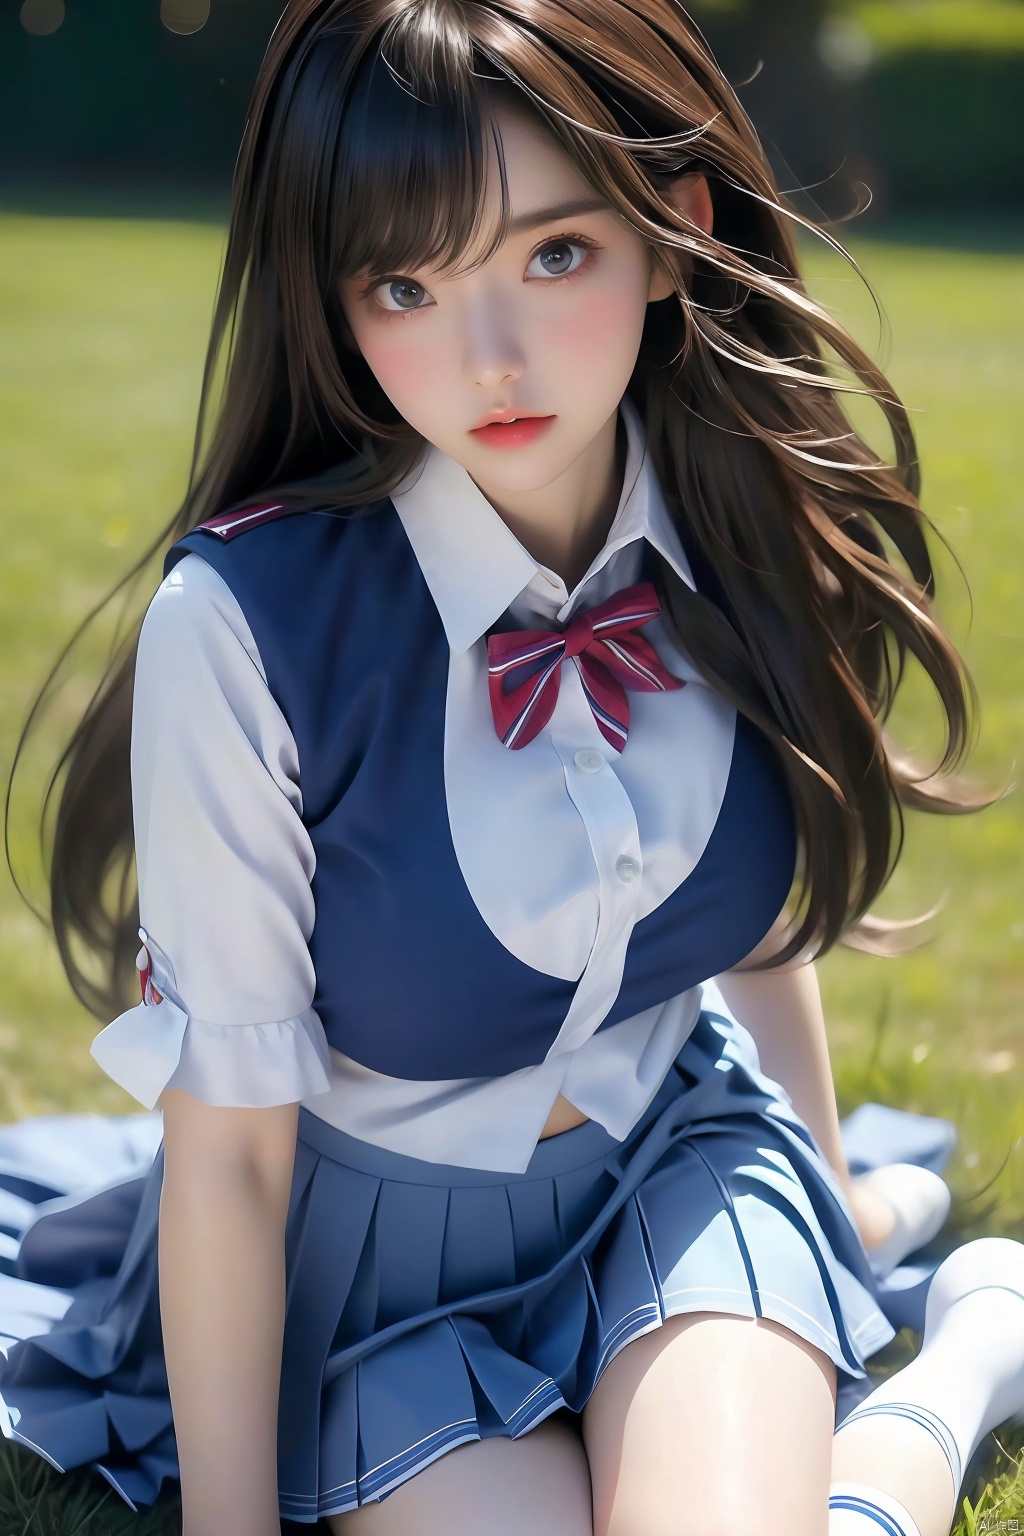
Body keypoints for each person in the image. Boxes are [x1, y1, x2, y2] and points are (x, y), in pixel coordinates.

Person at [1, 2, 1022, 1534]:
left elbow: (752, 930)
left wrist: (819, 1219)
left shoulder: (735, 520)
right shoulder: (247, 629)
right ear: (333, 300)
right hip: (360, 1283)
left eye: (555, 255)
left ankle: (956, 1342)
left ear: (673, 234)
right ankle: (985, 1343)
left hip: (673, 1172)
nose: (491, 359)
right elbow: (228, 1159)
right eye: (407, 283)